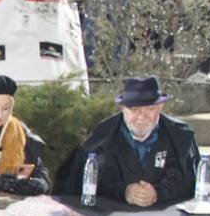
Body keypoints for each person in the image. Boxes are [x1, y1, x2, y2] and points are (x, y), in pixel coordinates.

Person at [63, 76, 199, 206]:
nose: (141, 116)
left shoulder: (180, 137)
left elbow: (186, 180)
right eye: (134, 109)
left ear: (160, 107)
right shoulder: (102, 137)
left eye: (149, 109)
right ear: (122, 108)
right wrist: (124, 191)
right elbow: (91, 181)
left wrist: (158, 193)